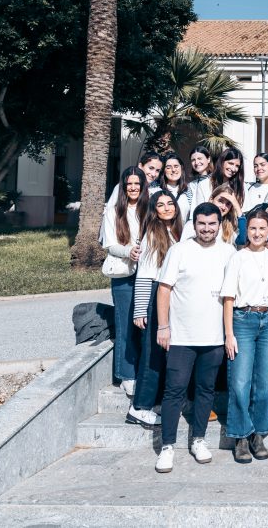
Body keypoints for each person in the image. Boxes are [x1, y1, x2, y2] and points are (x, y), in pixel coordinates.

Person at [153, 202, 235, 473]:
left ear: (219, 224)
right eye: (202, 223)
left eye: (212, 224)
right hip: (181, 337)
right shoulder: (179, 250)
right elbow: (164, 289)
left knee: (205, 389)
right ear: (194, 224)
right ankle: (167, 446)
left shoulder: (228, 252)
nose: (207, 229)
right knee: (174, 390)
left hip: (213, 337)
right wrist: (163, 327)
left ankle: (198, 439)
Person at [221, 209, 268, 463]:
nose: (257, 233)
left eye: (262, 228)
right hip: (243, 320)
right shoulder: (238, 257)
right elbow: (228, 297)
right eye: (253, 228)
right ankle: (241, 436)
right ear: (246, 231)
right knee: (239, 381)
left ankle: (259, 433)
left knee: (265, 382)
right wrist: (229, 334)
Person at [128, 190, 182, 428]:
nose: (167, 207)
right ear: (154, 210)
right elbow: (144, 275)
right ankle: (139, 407)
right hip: (153, 295)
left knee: (162, 353)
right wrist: (140, 310)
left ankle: (155, 402)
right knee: (152, 354)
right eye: (161, 205)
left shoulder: (177, 232)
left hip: (170, 296)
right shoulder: (152, 233)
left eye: (170, 203)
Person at [102, 166, 147, 395]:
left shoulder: (149, 209)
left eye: (137, 183)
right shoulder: (114, 212)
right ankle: (127, 374)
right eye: (129, 184)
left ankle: (145, 373)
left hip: (147, 273)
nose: (133, 187)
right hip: (124, 275)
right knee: (126, 325)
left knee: (146, 326)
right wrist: (128, 251)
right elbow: (109, 244)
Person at [179, 147, 244, 223]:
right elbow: (197, 215)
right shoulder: (204, 184)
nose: (233, 168)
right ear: (222, 162)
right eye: (230, 163)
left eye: (237, 166)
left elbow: (244, 217)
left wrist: (234, 202)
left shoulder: (241, 187)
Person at [176, 145, 212, 217]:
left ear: (208, 159)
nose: (196, 162)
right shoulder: (191, 185)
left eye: (199, 158)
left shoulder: (216, 180)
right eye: (193, 160)